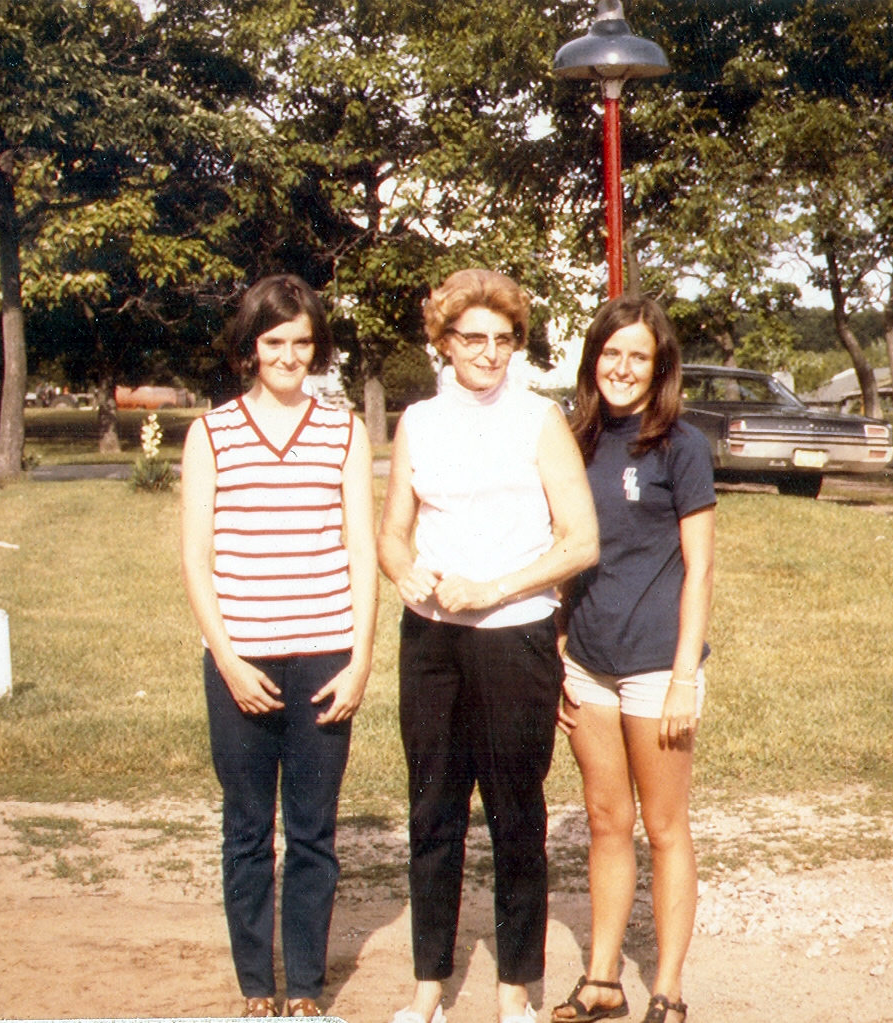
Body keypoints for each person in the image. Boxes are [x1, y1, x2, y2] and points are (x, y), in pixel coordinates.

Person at [377, 268, 600, 1023]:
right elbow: (392, 535)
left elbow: (580, 542)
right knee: (432, 812)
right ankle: (427, 992)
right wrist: (408, 575)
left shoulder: (539, 421)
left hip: (517, 639)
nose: (489, 353)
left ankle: (514, 993)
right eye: (473, 338)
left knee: (515, 816)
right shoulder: (417, 421)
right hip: (433, 643)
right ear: (442, 341)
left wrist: (493, 589)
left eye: (503, 340)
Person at [180, 274, 377, 1019]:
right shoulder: (212, 432)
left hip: (325, 654)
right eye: (274, 343)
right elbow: (195, 559)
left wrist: (359, 660)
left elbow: (361, 550)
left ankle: (305, 984)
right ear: (250, 349)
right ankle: (256, 985)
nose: (289, 356)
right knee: (245, 827)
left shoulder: (344, 430)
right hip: (242, 660)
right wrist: (228, 659)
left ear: (316, 348)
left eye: (302, 342)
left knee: (311, 831)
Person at [554, 294, 716, 1023]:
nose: (621, 368)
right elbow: (561, 552)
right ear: (593, 361)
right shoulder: (572, 440)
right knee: (604, 818)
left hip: (657, 665)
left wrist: (684, 675)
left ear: (659, 369)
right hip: (587, 662)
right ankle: (600, 980)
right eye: (610, 354)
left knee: (663, 824)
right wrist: (559, 648)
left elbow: (701, 568)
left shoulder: (682, 447)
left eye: (638, 357)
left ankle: (668, 988)